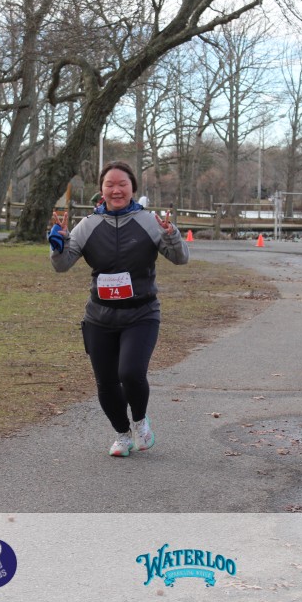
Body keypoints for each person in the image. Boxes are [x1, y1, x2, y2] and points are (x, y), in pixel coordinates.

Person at [48, 161, 189, 457]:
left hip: (141, 313)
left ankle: (140, 423)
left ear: (132, 188)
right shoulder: (88, 225)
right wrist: (59, 243)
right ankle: (122, 434)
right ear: (101, 190)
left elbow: (180, 258)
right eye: (109, 185)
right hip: (99, 318)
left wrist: (171, 235)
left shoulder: (149, 221)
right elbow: (62, 266)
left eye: (122, 184)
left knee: (131, 372)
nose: (116, 190)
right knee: (107, 383)